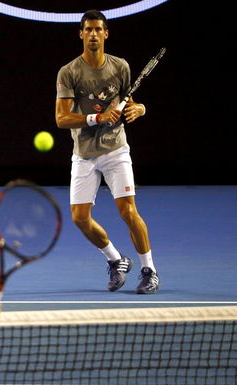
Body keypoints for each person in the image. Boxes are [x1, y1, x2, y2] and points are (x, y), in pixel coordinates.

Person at [55, 10, 160, 294]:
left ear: (105, 34)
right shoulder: (69, 72)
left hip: (116, 150)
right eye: (87, 29)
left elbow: (129, 102)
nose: (92, 34)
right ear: (81, 34)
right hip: (84, 153)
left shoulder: (120, 67)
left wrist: (140, 109)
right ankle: (116, 259)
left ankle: (149, 269)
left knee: (128, 211)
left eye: (97, 29)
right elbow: (62, 118)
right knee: (79, 218)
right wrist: (96, 118)